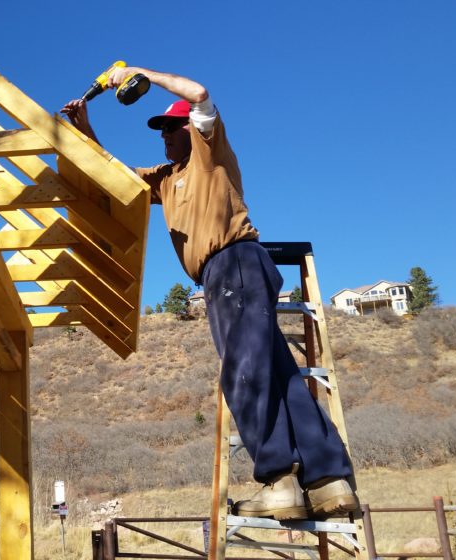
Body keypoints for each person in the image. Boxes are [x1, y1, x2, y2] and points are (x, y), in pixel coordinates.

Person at [61, 67, 358, 520]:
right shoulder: (165, 177)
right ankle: (327, 480)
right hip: (228, 275)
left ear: (190, 129)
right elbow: (113, 177)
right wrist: (85, 129)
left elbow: (198, 92)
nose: (165, 136)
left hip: (233, 263)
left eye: (172, 127)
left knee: (243, 374)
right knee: (279, 376)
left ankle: (279, 480)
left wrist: (139, 73)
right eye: (161, 130)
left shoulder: (209, 152)